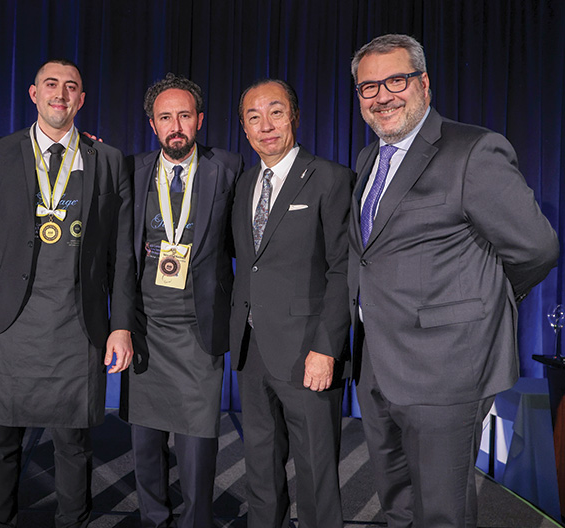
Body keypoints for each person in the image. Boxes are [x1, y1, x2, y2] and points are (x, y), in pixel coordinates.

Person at [349, 33, 559, 527]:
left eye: (395, 80)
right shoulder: (366, 161)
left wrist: (485, 299)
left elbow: (536, 248)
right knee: (396, 504)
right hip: (378, 364)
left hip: (446, 369)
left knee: (442, 512)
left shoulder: (473, 150)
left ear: (424, 83)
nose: (382, 96)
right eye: (368, 87)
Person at [0, 58, 136, 528]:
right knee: (0, 444)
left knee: (74, 447)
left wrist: (120, 326)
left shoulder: (109, 159)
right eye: (51, 85)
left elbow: (121, 255)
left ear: (81, 99)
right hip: (7, 327)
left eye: (71, 86)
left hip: (78, 327)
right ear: (33, 94)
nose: (61, 93)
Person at [230, 79, 352, 528]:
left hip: (308, 352)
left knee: (316, 471)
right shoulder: (243, 184)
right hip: (251, 349)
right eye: (254, 117)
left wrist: (327, 348)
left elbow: (343, 271)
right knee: (260, 466)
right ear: (243, 128)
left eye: (275, 113)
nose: (266, 126)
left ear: (294, 116)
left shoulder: (331, 179)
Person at [122, 73, 241, 528]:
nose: (176, 125)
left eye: (185, 115)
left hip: (198, 327)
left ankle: (197, 521)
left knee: (197, 443)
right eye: (166, 116)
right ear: (153, 124)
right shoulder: (131, 170)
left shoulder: (228, 167)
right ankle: (154, 518)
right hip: (145, 328)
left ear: (200, 120)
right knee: (146, 442)